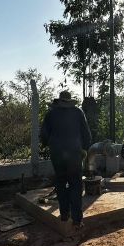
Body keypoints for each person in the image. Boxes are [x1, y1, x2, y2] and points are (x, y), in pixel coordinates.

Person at [40, 90, 92, 233]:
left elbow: (43, 135)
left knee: (61, 183)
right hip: (74, 153)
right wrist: (85, 149)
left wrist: (47, 144)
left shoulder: (51, 114)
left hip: (57, 154)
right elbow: (86, 134)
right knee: (76, 185)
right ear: (70, 101)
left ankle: (64, 214)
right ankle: (77, 220)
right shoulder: (78, 112)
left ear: (59, 101)